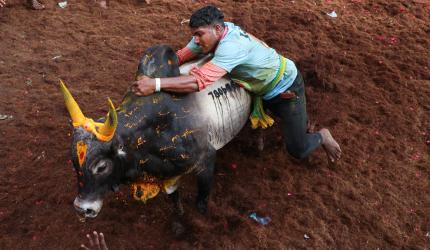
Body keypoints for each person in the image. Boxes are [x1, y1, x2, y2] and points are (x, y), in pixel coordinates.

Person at [132, 5, 341, 164]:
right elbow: (180, 56)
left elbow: (199, 82)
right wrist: (158, 70)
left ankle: (322, 136)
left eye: (199, 34)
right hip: (257, 85)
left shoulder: (231, 47)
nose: (196, 40)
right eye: (194, 34)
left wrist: (156, 84)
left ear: (216, 29)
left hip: (284, 88)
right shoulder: (212, 35)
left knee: (298, 149)